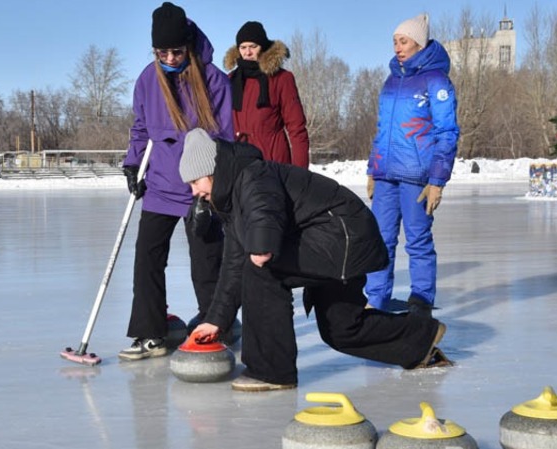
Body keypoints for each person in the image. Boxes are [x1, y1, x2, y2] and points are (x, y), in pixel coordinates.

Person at [178, 128, 446, 391]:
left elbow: (264, 208)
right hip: (339, 242)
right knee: (341, 330)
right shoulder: (230, 199)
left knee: (261, 268)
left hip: (343, 236)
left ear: (212, 170)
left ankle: (272, 371)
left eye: (195, 182)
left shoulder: (251, 174)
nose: (193, 192)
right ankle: (420, 339)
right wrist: (216, 319)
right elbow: (233, 262)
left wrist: (261, 245)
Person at [119, 2, 234, 361]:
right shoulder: (147, 79)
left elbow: (224, 134)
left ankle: (217, 327)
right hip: (159, 183)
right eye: (161, 51)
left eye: (176, 50)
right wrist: (132, 165)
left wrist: (214, 186)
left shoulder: (212, 78)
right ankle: (149, 332)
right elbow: (140, 129)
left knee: (206, 261)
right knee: (147, 259)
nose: (169, 57)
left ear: (188, 45)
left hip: (197, 185)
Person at [365, 13, 460, 312]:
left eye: (403, 41)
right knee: (379, 242)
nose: (397, 47)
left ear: (419, 42)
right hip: (386, 175)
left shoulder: (437, 80)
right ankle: (376, 300)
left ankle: (421, 301)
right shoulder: (391, 80)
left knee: (418, 241)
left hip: (417, 176)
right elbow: (383, 129)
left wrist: (437, 180)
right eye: (394, 41)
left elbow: (447, 133)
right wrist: (373, 168)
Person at [223, 21, 310, 168]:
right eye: (243, 47)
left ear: (262, 47)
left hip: (272, 161)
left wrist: (300, 173)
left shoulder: (281, 79)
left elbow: (297, 129)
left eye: (253, 47)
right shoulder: (231, 80)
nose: (247, 52)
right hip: (239, 162)